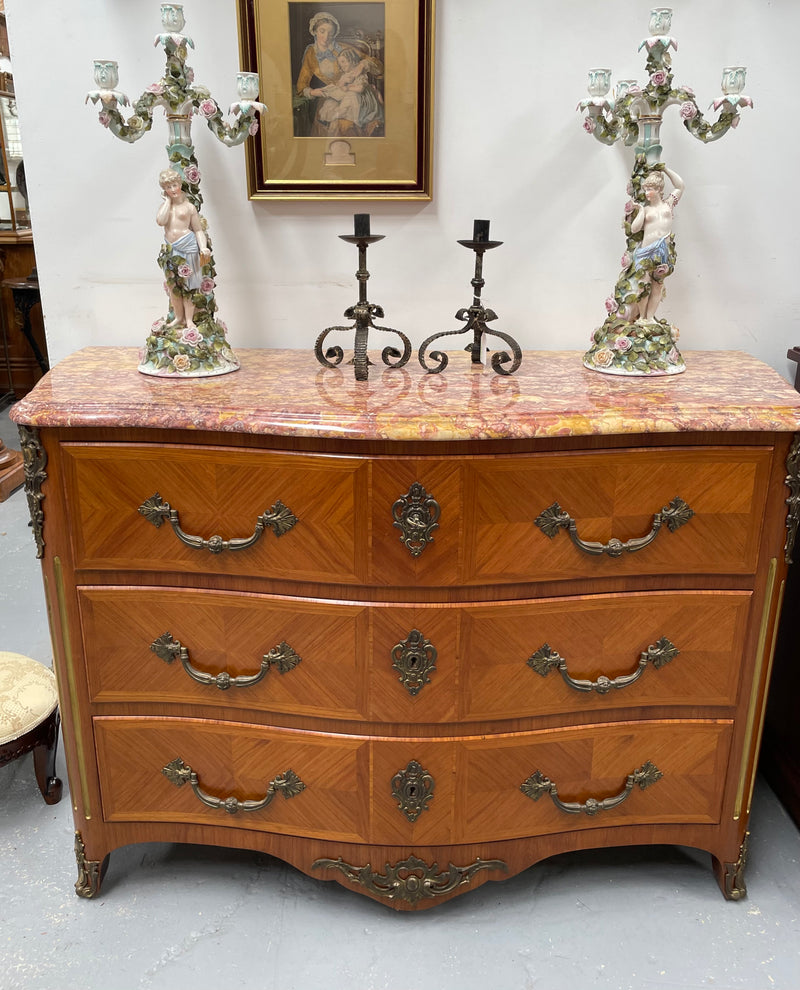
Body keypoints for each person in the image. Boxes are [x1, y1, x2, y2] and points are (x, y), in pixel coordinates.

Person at [295, 11, 382, 136]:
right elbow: (301, 86)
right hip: (331, 94)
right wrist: (315, 92)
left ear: (334, 34)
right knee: (329, 119)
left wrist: (363, 65)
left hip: (354, 93)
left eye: (330, 33)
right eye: (322, 31)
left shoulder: (342, 49)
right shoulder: (311, 53)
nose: (326, 37)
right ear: (314, 31)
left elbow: (378, 67)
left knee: (345, 124)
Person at [156, 168, 210, 329]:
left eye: (174, 185)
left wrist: (203, 247)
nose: (172, 190)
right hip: (171, 248)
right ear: (164, 190)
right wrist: (167, 202)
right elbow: (160, 221)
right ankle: (178, 318)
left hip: (188, 246)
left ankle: (189, 319)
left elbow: (198, 230)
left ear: (180, 184)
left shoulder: (189, 207)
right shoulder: (166, 207)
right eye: (168, 187)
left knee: (188, 284)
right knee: (173, 285)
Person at [629, 165, 684, 320]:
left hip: (663, 250)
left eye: (649, 189)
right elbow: (634, 229)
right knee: (643, 285)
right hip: (646, 250)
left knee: (657, 285)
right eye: (645, 190)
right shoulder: (646, 210)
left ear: (659, 189)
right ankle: (641, 318)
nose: (646, 193)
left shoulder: (669, 204)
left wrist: (665, 169)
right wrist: (640, 210)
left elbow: (680, 186)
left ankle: (650, 317)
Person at [316, 48, 383, 134]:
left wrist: (347, 88)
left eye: (344, 62)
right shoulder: (345, 75)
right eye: (340, 63)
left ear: (352, 60)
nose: (342, 65)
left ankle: (341, 115)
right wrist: (341, 85)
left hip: (363, 98)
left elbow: (360, 88)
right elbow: (339, 86)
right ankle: (331, 119)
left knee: (351, 95)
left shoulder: (359, 74)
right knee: (330, 101)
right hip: (350, 95)